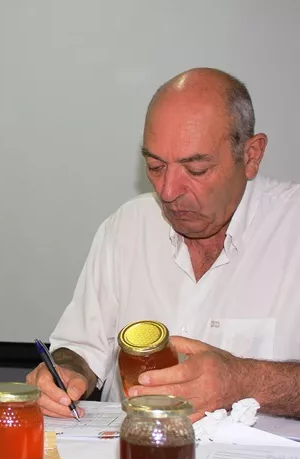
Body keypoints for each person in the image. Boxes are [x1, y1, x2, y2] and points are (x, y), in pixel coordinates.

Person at [27, 67, 300, 421]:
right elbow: (80, 348)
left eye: (196, 170)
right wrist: (64, 372)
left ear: (251, 156)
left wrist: (245, 381)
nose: (168, 192)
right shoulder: (127, 226)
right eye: (155, 167)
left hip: (257, 455)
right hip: (129, 446)